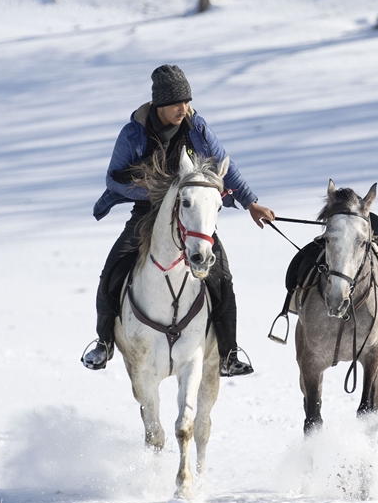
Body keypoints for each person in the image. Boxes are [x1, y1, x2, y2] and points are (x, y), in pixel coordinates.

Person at [81, 64, 275, 375]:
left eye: (186, 102)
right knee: (113, 269)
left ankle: (228, 354)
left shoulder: (197, 129)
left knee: (221, 278)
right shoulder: (133, 134)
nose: (183, 109)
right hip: (148, 214)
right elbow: (113, 180)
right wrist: (154, 193)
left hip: (192, 216)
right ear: (159, 104)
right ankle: (104, 343)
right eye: (175, 104)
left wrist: (251, 202)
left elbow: (228, 166)